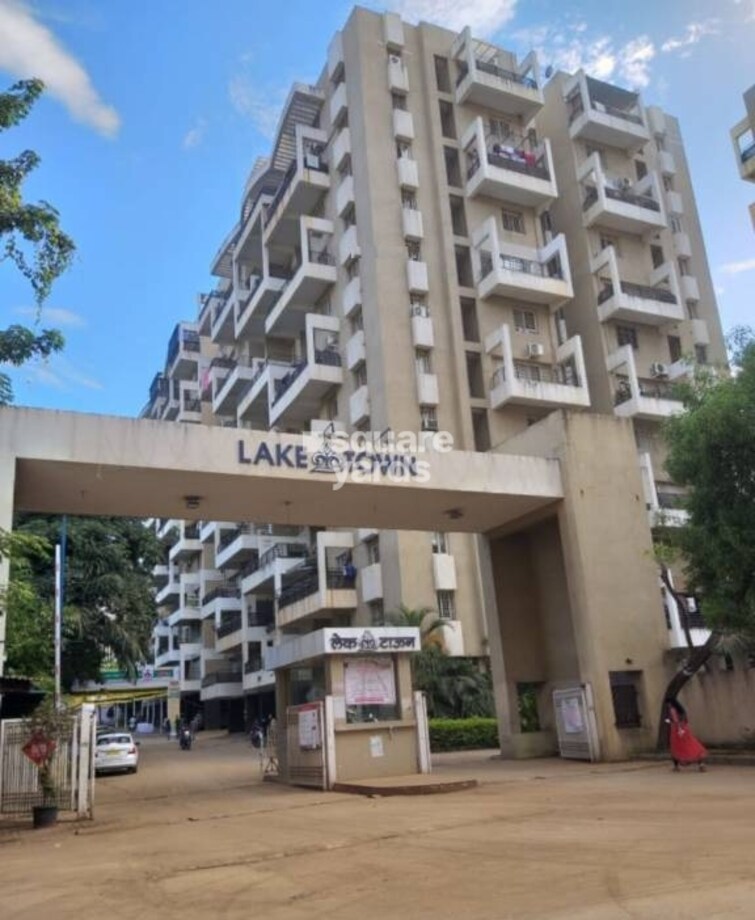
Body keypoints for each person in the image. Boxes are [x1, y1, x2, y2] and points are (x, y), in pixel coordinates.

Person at [665, 697, 707, 772]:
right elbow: (684, 720)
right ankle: (701, 764)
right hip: (684, 728)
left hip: (676, 729)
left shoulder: (672, 710)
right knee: (690, 744)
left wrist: (668, 721)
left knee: (675, 747)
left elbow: (674, 720)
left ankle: (676, 766)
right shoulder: (682, 711)